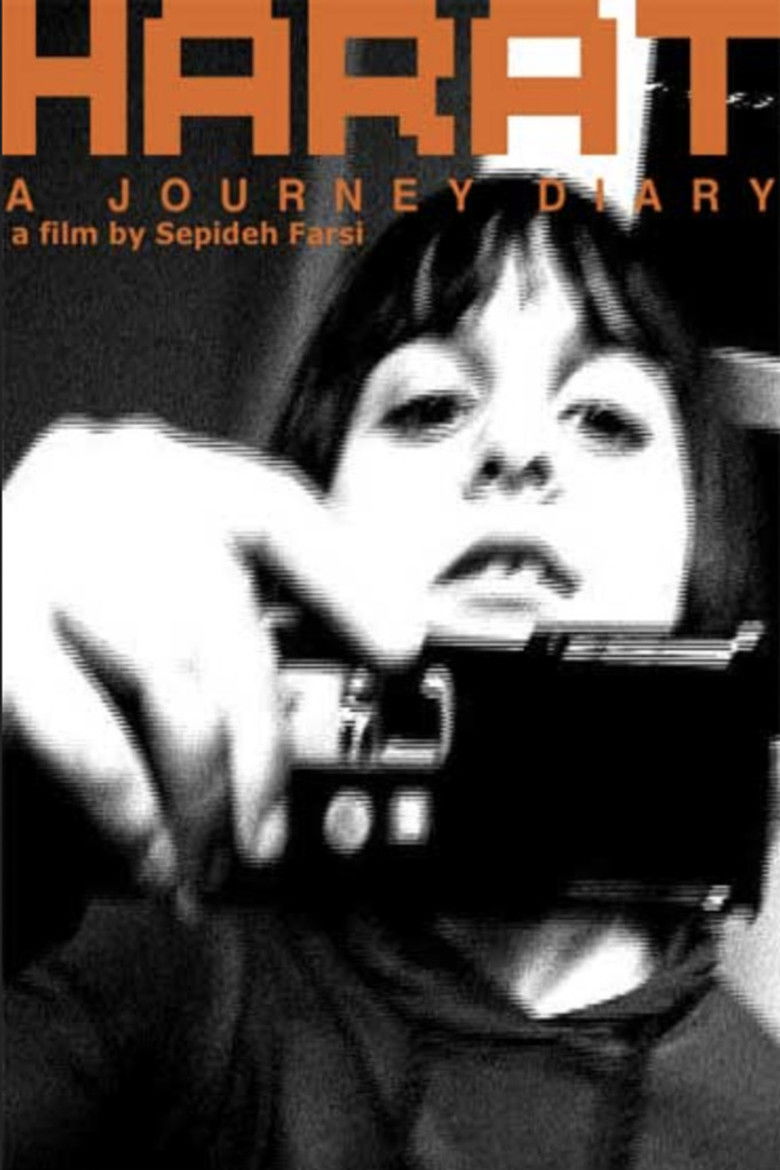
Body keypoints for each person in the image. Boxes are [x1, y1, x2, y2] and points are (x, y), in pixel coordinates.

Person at [4, 177, 778, 1169]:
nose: (515, 449)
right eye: (431, 406)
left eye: (603, 418)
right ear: (314, 503)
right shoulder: (147, 955)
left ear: (696, 542)